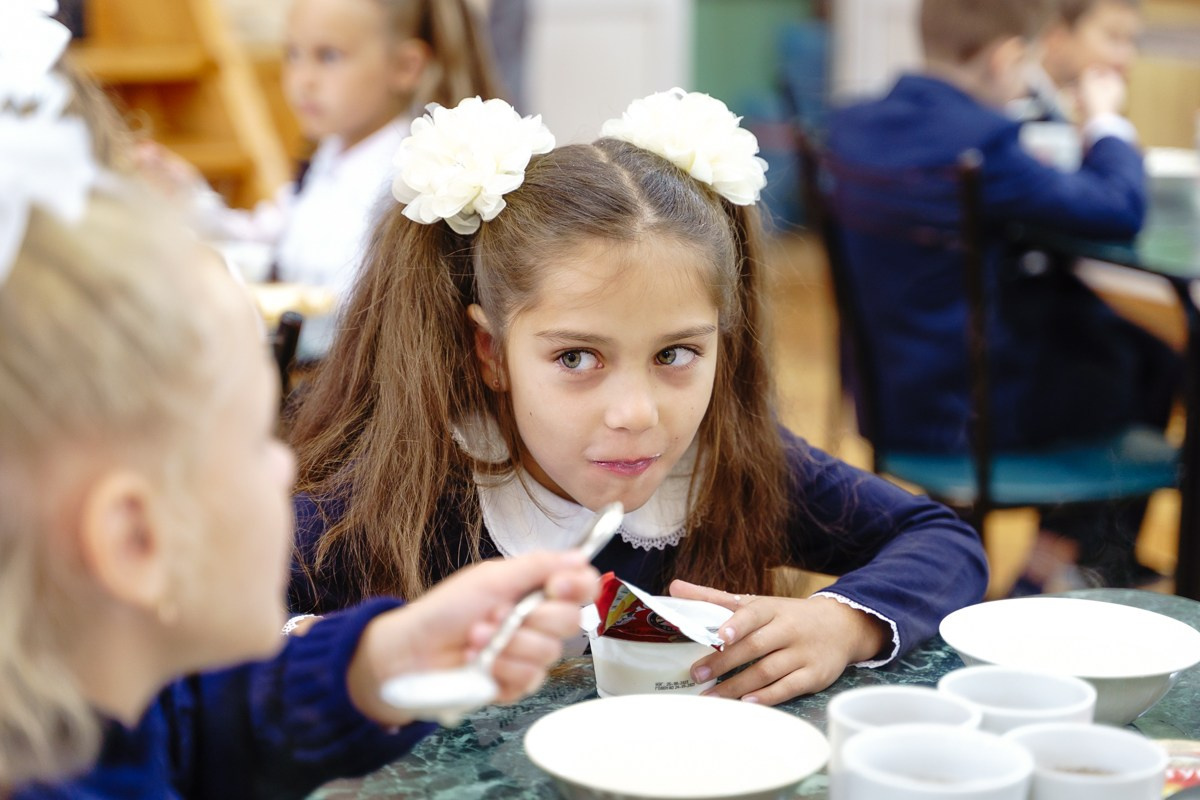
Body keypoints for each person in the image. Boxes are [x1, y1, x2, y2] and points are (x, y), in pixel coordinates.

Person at [0, 10, 596, 794]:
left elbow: (203, 721)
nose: (287, 461)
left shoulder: (101, 694)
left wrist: (379, 664)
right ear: (136, 537)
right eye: (255, 440)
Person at [286, 90, 989, 707]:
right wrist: (316, 652)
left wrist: (843, 622)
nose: (637, 414)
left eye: (676, 355)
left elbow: (943, 541)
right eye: (577, 358)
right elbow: (210, 638)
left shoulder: (723, 465)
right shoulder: (391, 488)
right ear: (492, 353)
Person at [826, 0, 1179, 593]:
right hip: (971, 418)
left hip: (887, 394)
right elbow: (1119, 209)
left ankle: (1070, 559)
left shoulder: (855, 123)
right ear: (1005, 57)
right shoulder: (983, 140)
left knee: (1119, 344)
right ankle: (1060, 568)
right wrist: (1105, 121)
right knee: (1155, 357)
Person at [138, 0, 504, 357]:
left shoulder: (410, 174)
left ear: (406, 67)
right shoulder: (325, 154)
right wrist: (187, 196)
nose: (303, 80)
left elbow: (376, 303)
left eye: (328, 56)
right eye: (293, 55)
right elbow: (269, 234)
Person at [1013, 0, 1143, 124]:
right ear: (1057, 37)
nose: (1127, 58)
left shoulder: (1071, 110)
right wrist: (1103, 122)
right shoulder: (1013, 106)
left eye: (1131, 40)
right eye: (1113, 37)